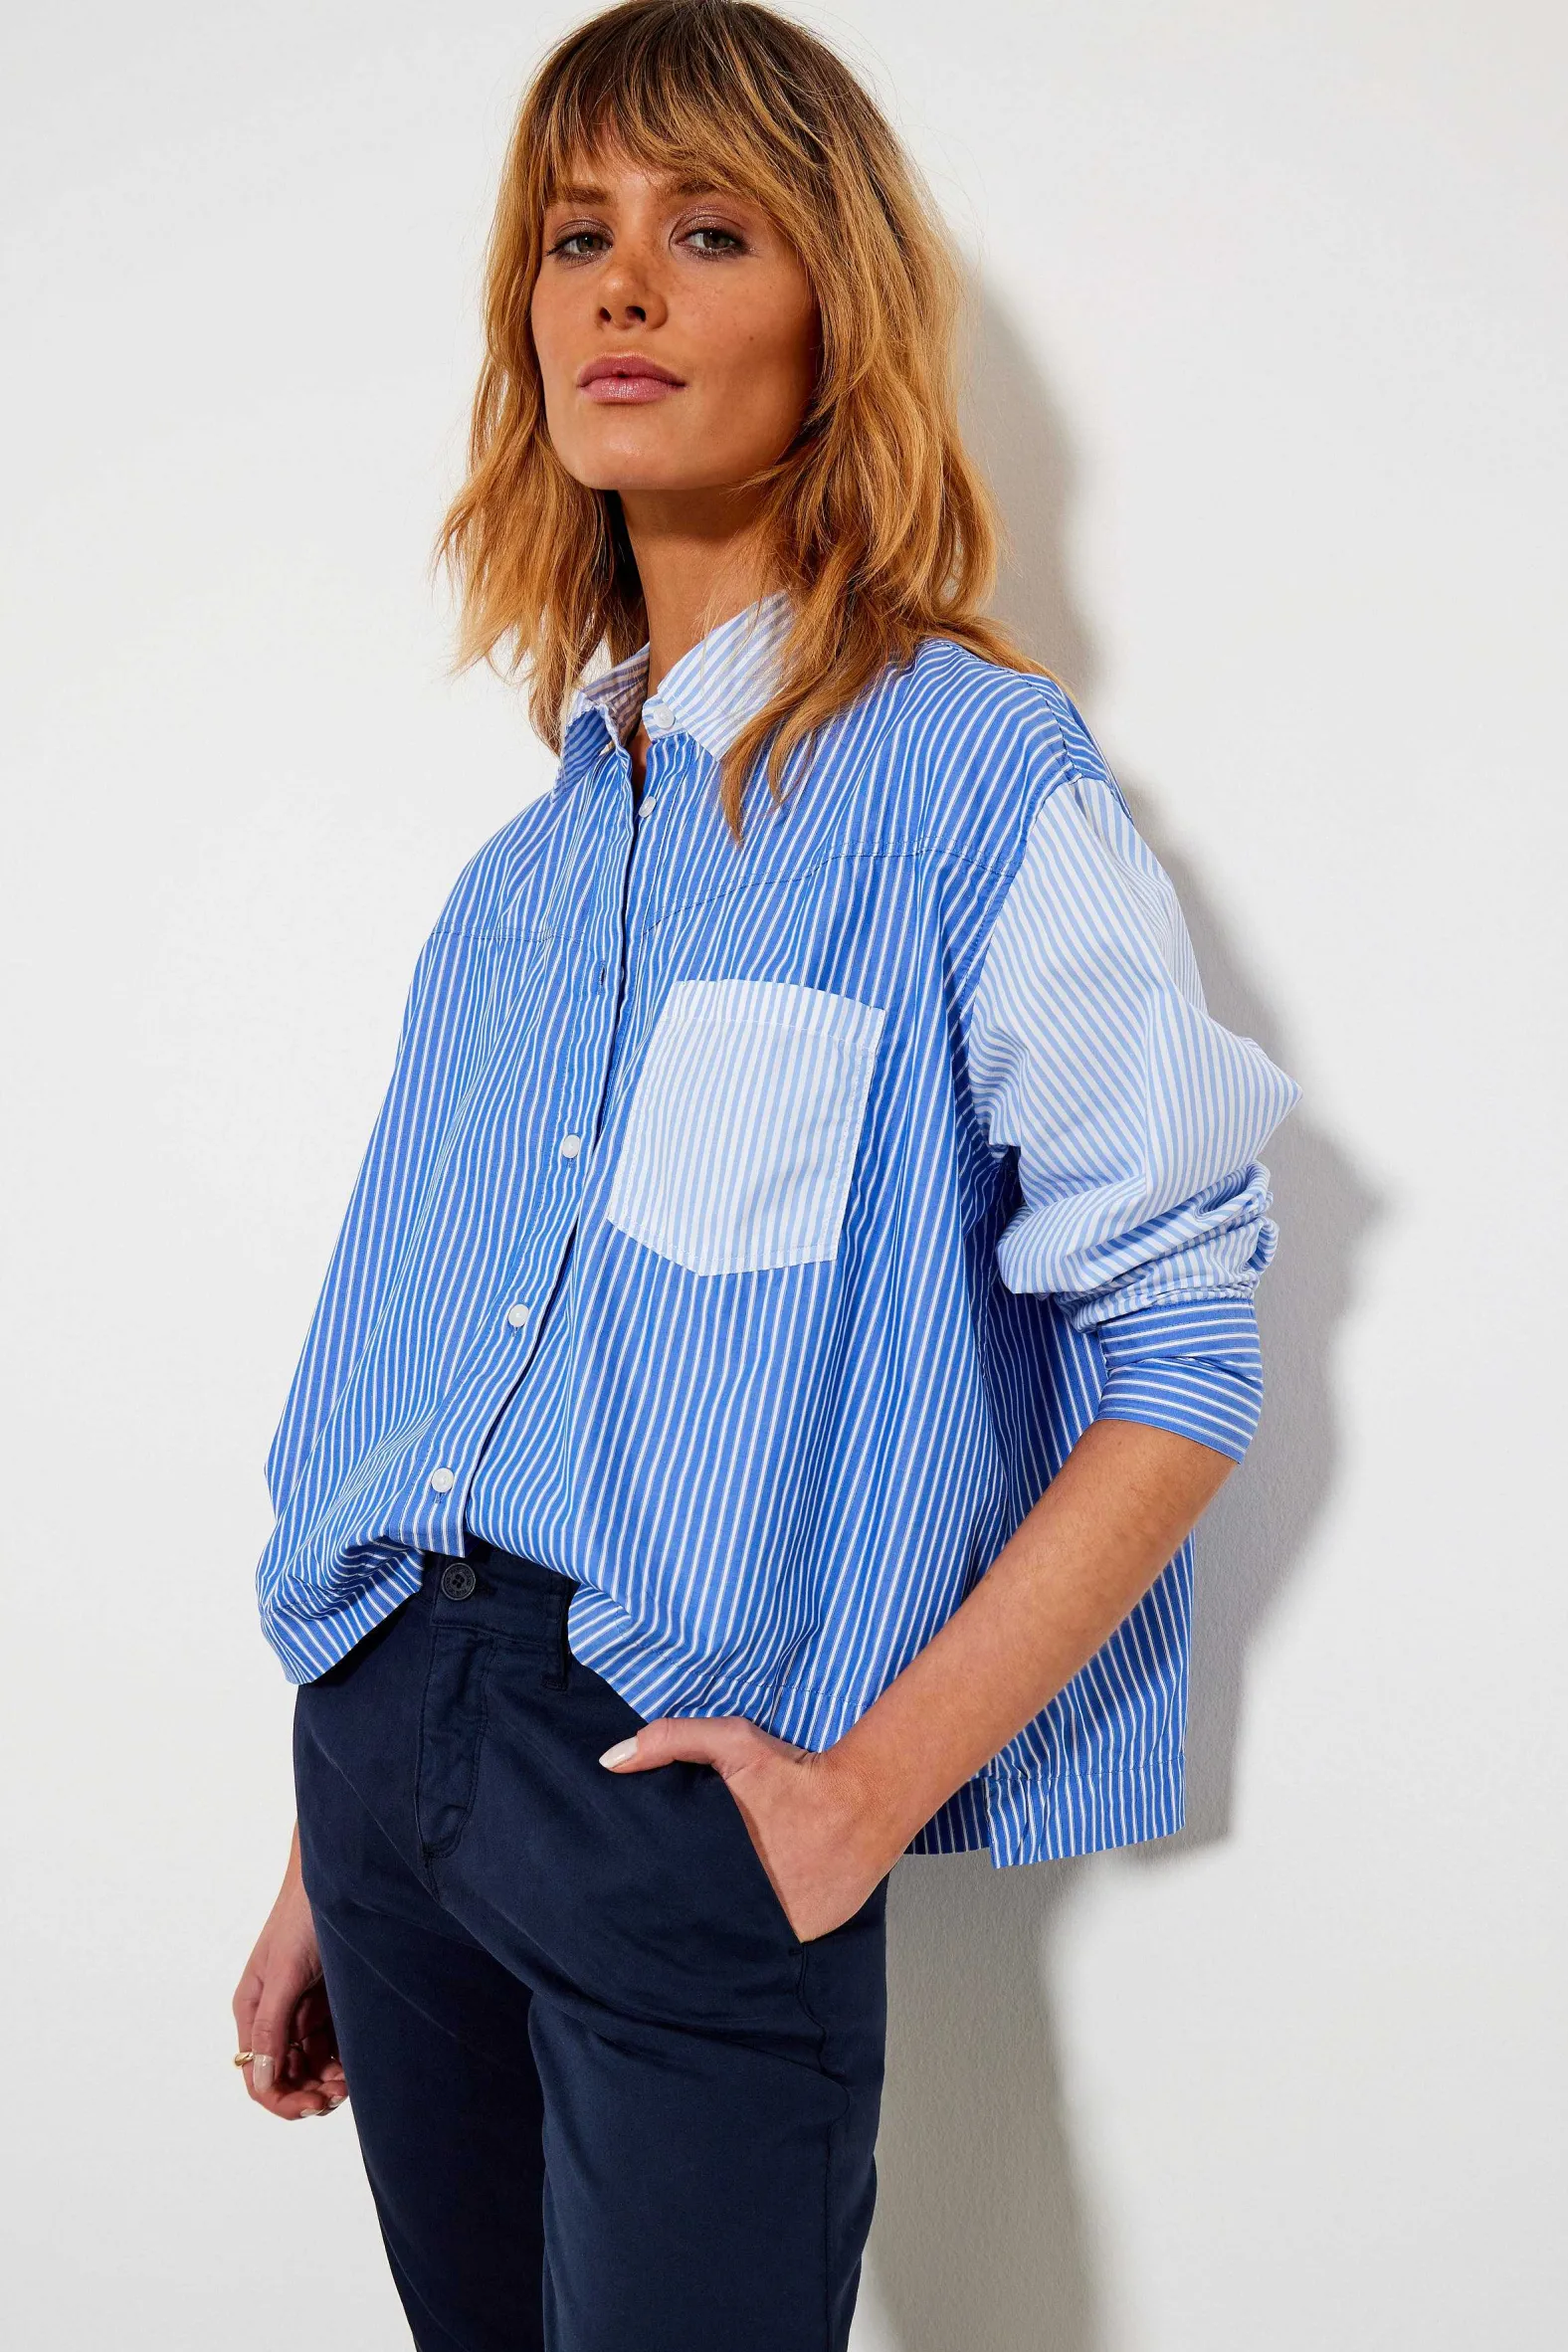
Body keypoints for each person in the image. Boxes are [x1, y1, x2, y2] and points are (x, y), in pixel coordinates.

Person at [232, 4, 1300, 2346]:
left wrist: (858, 1795)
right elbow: (447, 1392)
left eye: (706, 233)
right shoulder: (520, 880)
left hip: (671, 1797)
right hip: (383, 1752)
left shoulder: (968, 782)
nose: (620, 287)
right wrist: (328, 1842)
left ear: (835, 318)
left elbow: (1181, 1357)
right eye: (573, 237)